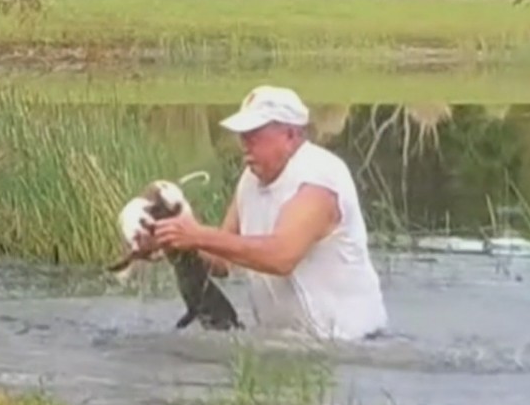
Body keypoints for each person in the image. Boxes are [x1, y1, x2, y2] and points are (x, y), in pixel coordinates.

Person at [147, 85, 388, 341]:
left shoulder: (318, 181)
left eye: (254, 135)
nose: (244, 145)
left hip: (352, 346)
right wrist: (171, 238)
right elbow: (222, 262)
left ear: (290, 135)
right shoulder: (250, 179)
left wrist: (197, 236)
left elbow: (281, 257)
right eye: (242, 135)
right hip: (287, 344)